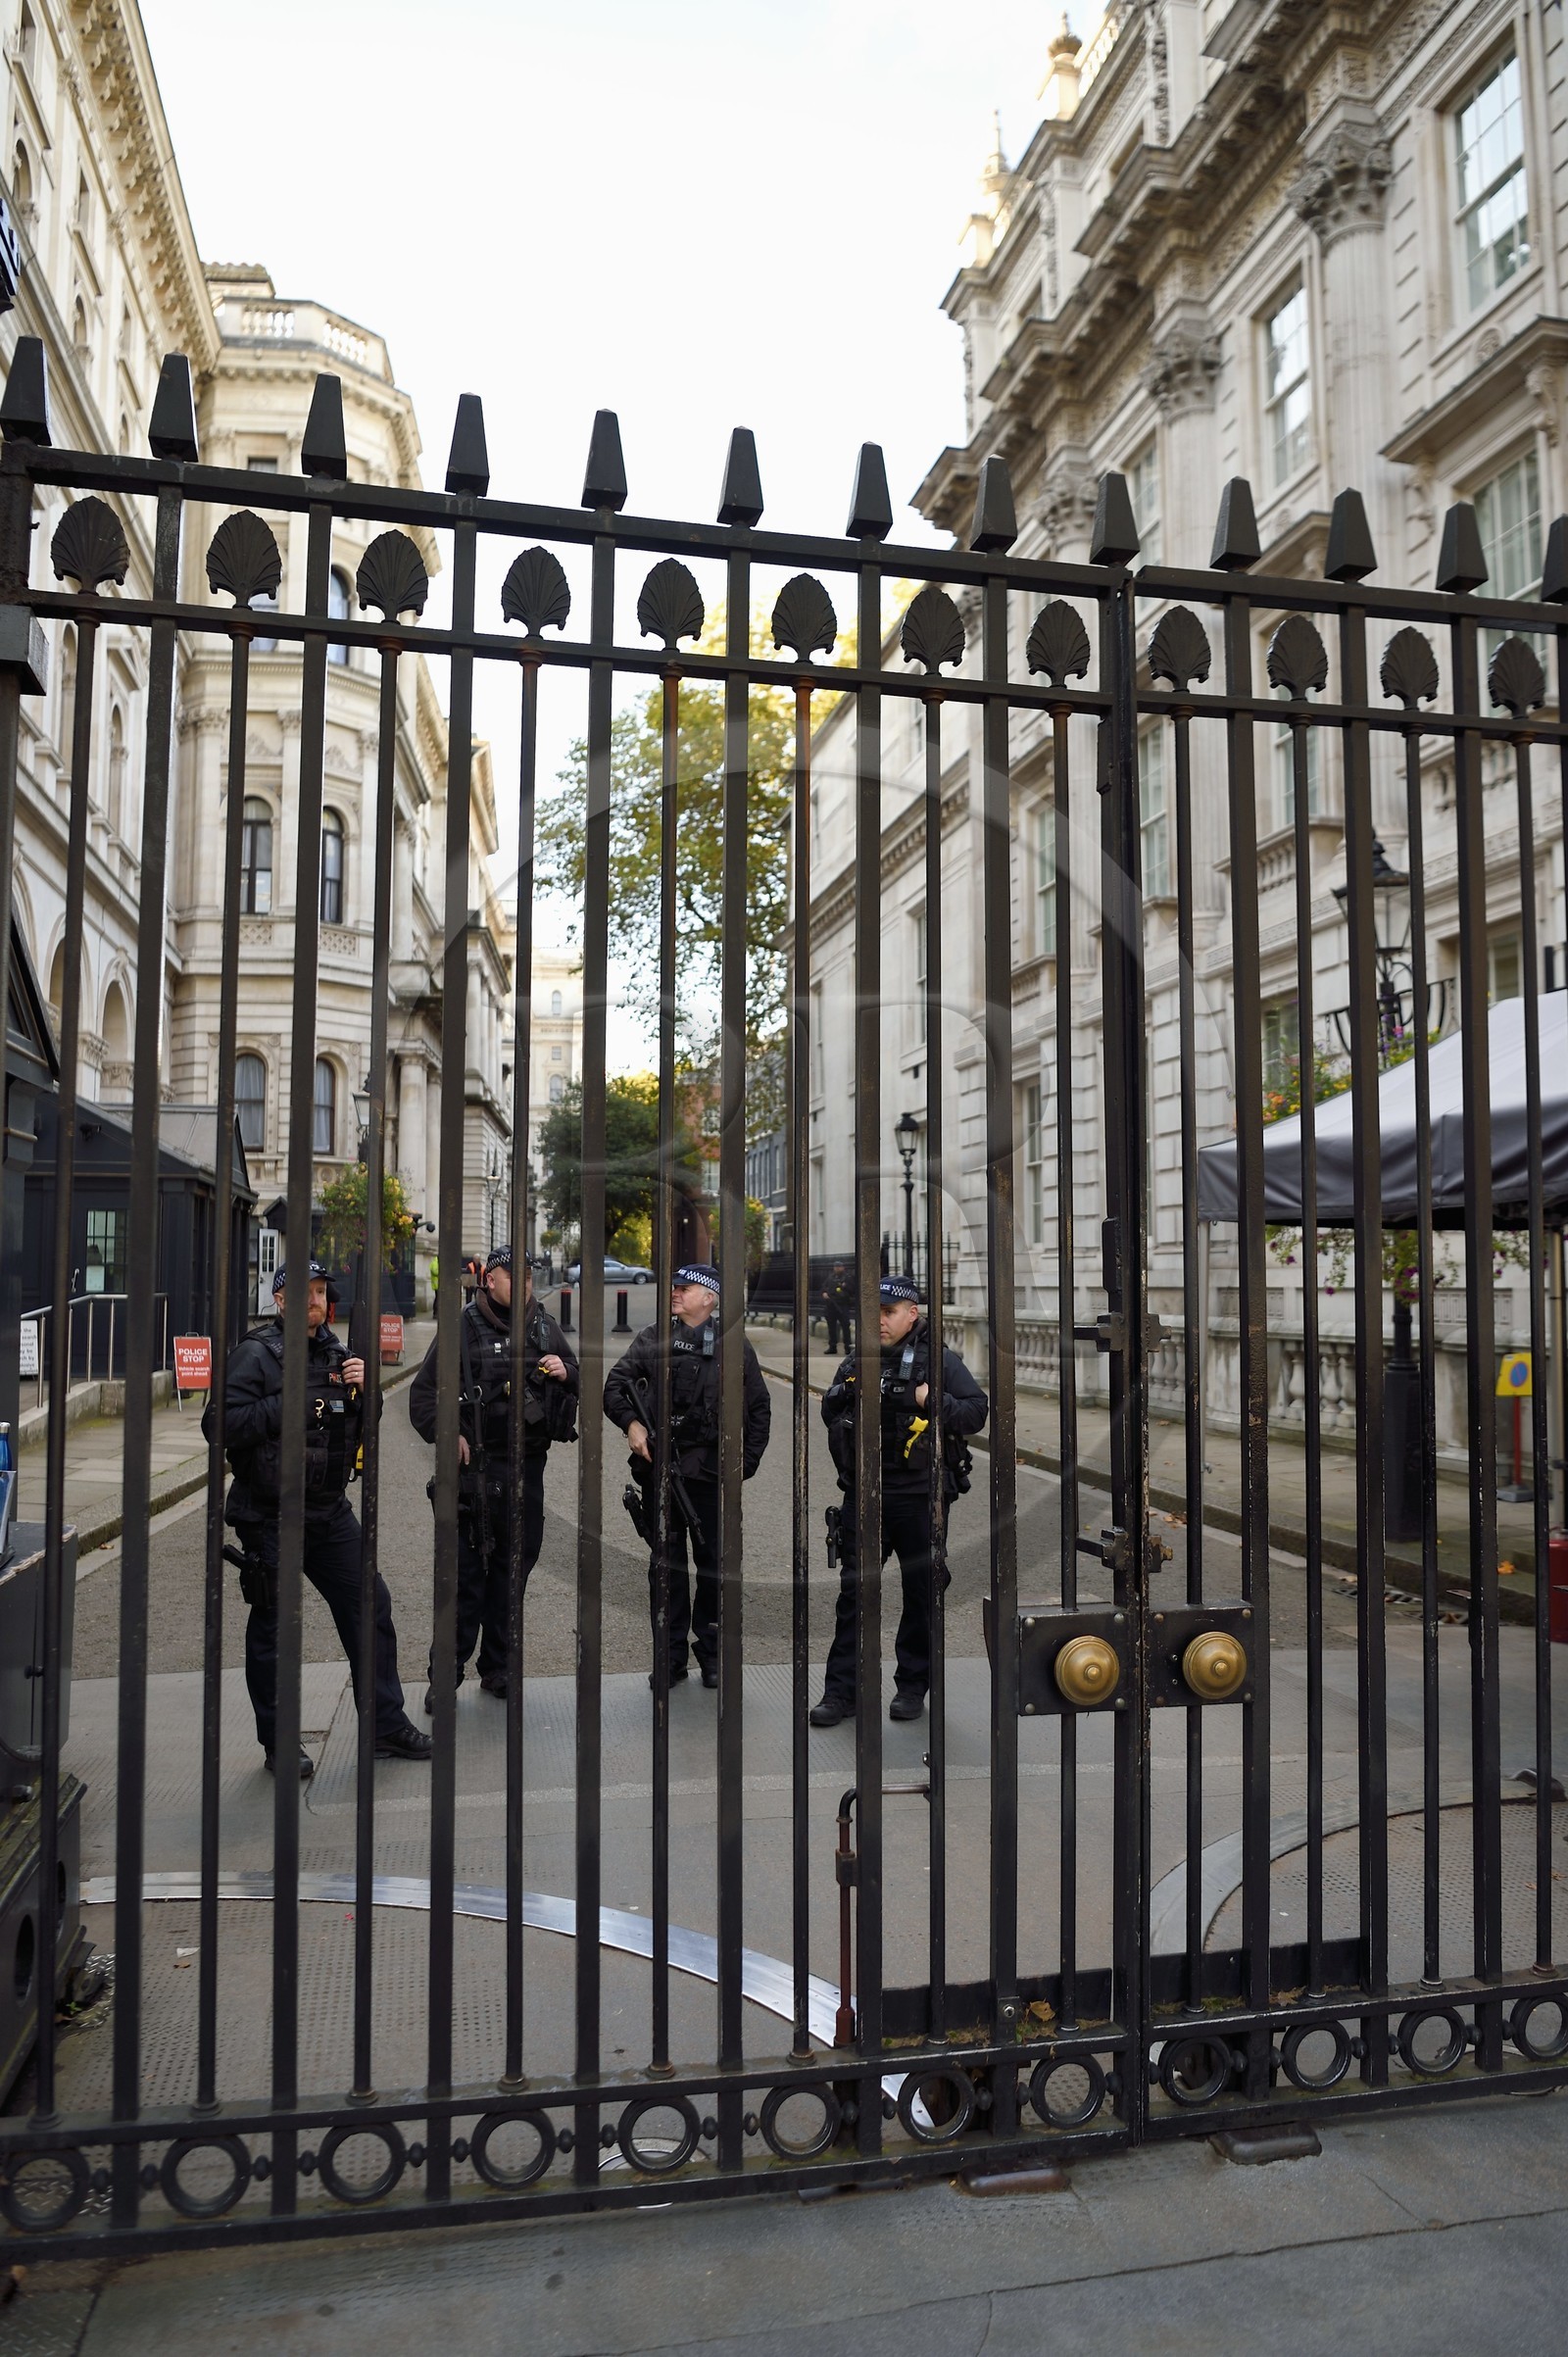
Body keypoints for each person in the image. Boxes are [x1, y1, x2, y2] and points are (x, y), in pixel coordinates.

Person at [206, 1259, 432, 1776]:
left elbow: (356, 1427)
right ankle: (279, 1744)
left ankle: (385, 1726)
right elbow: (218, 1424)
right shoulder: (255, 1355)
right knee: (276, 1628)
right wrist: (288, 1404)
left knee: (370, 1605)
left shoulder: (338, 1353)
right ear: (280, 1300)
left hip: (329, 1512)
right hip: (269, 1516)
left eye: (321, 1291)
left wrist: (364, 1392)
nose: (314, 1299)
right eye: (303, 1291)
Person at [810, 1274, 988, 1728]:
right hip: (863, 1494)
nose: (879, 1322)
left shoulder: (940, 1361)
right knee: (855, 1595)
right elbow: (830, 1412)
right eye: (873, 1314)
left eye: (888, 1313)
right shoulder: (857, 1359)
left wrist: (934, 1401)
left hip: (918, 1497)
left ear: (912, 1314)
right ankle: (841, 1692)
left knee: (921, 1594)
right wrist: (843, 1391)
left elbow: (975, 1413)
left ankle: (912, 1687)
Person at [409, 1244, 578, 1706]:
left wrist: (567, 1371)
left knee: (513, 1571)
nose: (524, 1283)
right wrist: (447, 1436)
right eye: (514, 1275)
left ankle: (499, 1668)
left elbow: (578, 1379)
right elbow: (423, 1398)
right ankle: (445, 1676)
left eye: (528, 1276)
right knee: (466, 1580)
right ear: (490, 1280)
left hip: (528, 1469)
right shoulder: (462, 1328)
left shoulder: (543, 1324)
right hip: (475, 1470)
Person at [604, 1263, 771, 1690]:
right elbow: (615, 1386)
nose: (675, 1292)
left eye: (685, 1287)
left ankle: (711, 1654)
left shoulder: (734, 1345)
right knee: (666, 1567)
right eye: (673, 1285)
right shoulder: (653, 1337)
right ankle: (670, 1656)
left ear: (710, 1298)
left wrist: (741, 1469)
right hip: (661, 1472)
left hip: (710, 1476)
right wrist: (632, 1424)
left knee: (714, 1567)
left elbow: (758, 1410)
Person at [820, 1260, 856, 1356]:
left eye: (839, 1267)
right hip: (831, 1306)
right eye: (836, 1267)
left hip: (842, 1305)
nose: (837, 1268)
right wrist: (824, 1293)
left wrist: (846, 1286)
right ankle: (832, 1347)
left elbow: (853, 1290)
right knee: (831, 1327)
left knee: (845, 1327)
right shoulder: (830, 1277)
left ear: (843, 1267)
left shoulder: (847, 1277)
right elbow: (824, 1287)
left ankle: (848, 1348)